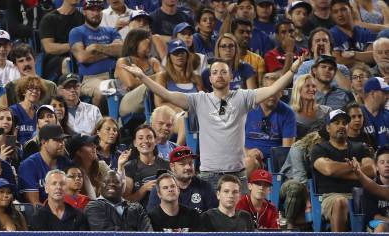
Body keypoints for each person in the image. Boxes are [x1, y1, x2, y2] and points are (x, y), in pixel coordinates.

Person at [123, 51, 309, 193]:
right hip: (208, 174)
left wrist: (293, 69)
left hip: (237, 173)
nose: (219, 75)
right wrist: (142, 76)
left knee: (239, 225)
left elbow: (274, 88)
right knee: (208, 226)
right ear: (210, 78)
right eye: (215, 72)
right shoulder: (198, 99)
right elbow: (166, 94)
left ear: (230, 76)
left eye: (223, 72)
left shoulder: (244, 97)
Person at [311, 109, 375, 231]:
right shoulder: (319, 149)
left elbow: (371, 170)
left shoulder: (360, 147)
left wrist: (339, 172)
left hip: (360, 195)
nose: (341, 126)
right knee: (340, 202)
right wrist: (356, 168)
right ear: (328, 128)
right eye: (336, 123)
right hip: (332, 196)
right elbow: (329, 169)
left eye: (344, 123)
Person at [69, 0, 123, 107]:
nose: (96, 13)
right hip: (91, 78)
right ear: (84, 12)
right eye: (92, 10)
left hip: (117, 75)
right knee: (102, 91)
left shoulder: (111, 31)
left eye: (99, 10)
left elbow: (121, 50)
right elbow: (82, 57)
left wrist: (96, 47)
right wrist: (110, 52)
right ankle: (98, 121)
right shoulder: (76, 32)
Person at [245, 72, 297, 170]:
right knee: (249, 162)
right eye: (269, 90)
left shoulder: (288, 113)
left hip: (275, 162)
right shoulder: (246, 109)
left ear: (281, 92)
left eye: (276, 90)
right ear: (261, 91)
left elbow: (286, 150)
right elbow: (233, 141)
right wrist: (247, 152)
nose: (272, 95)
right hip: (248, 158)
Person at [147, 146, 217, 213]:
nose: (188, 167)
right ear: (172, 166)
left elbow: (213, 218)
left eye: (190, 163)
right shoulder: (160, 189)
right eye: (182, 164)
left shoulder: (205, 187)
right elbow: (153, 219)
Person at [84, 170, 153, 231]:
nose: (111, 184)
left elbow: (148, 233)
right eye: (106, 182)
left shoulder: (137, 208)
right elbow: (106, 233)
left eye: (116, 182)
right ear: (100, 185)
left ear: (122, 186)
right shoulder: (93, 207)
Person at [19, 124, 71, 204]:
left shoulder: (65, 162)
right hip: (38, 214)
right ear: (44, 142)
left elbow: (72, 195)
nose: (62, 144)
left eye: (63, 140)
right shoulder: (29, 166)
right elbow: (35, 204)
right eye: (57, 140)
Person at [114, 28, 161, 117]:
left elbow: (165, 78)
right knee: (148, 87)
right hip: (128, 102)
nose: (150, 42)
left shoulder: (153, 61)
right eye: (146, 39)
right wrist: (157, 77)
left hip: (152, 101)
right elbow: (131, 84)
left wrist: (141, 79)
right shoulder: (123, 61)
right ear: (135, 42)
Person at [119, 124, 169, 206]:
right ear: (135, 143)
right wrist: (143, 189)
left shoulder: (167, 165)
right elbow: (126, 201)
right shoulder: (129, 167)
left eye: (149, 137)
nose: (145, 141)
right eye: (140, 138)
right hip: (140, 215)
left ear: (155, 141)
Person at [155, 39, 203, 112]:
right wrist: (179, 109)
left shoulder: (196, 78)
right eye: (175, 53)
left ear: (187, 55)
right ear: (169, 57)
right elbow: (159, 103)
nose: (179, 55)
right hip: (172, 117)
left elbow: (203, 101)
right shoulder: (163, 76)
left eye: (182, 52)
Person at [39, 0, 84, 78]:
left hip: (78, 56)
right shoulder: (49, 19)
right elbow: (49, 48)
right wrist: (74, 45)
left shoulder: (82, 18)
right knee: (68, 62)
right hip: (54, 59)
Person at [329, 0, 376, 67]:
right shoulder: (331, 35)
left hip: (367, 73)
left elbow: (373, 57)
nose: (340, 14)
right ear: (332, 16)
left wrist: (353, 54)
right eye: (335, 12)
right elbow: (338, 60)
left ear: (351, 10)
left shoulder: (365, 32)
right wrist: (362, 60)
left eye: (343, 10)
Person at [67, 133, 110, 199]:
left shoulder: (101, 165)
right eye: (89, 145)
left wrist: (120, 167)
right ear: (78, 152)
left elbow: (118, 186)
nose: (94, 146)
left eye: (94, 144)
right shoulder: (73, 175)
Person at [291, 74, 333, 139]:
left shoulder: (326, 111)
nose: (312, 89)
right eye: (307, 86)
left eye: (314, 86)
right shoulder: (289, 112)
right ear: (298, 89)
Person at [358, 145, 389, 232]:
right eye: (382, 162)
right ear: (376, 167)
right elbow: (374, 216)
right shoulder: (369, 187)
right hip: (377, 223)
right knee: (382, 226)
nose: (386, 165)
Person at [10, 75, 46, 145]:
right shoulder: (13, 110)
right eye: (31, 88)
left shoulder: (40, 112)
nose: (35, 91)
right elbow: (12, 139)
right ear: (23, 91)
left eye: (38, 89)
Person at [360, 77, 389, 147]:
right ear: (372, 93)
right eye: (385, 93)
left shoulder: (387, 115)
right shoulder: (356, 114)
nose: (388, 96)